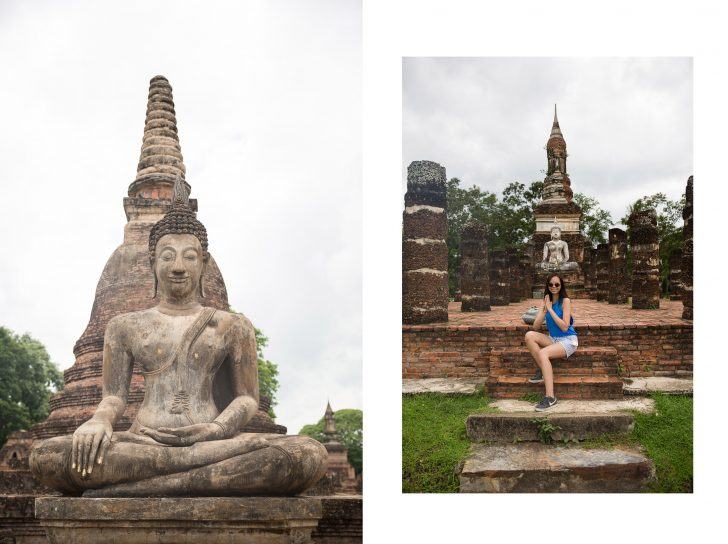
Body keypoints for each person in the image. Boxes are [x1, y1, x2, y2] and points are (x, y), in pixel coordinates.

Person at [30, 178, 327, 497]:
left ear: (204, 263)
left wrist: (217, 429)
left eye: (190, 256)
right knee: (48, 457)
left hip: (213, 441)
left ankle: (144, 487)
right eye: (168, 255)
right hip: (144, 442)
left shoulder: (234, 326)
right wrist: (99, 422)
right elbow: (114, 397)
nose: (179, 267)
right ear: (152, 262)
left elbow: (247, 398)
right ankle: (194, 477)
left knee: (307, 455)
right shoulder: (124, 325)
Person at [523, 272, 578, 411]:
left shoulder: (565, 301)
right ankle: (543, 371)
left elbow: (565, 327)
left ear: (561, 286)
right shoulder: (546, 301)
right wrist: (543, 309)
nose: (554, 287)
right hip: (554, 339)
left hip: (568, 340)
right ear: (547, 286)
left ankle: (550, 397)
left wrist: (550, 310)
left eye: (557, 284)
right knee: (529, 335)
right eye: (551, 284)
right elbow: (536, 326)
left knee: (543, 354)